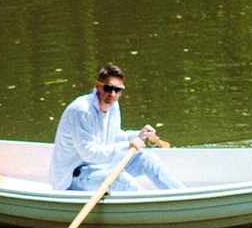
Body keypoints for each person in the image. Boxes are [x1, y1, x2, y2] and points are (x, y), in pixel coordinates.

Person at [49, 63, 180, 194]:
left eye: (118, 90)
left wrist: (139, 135)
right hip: (74, 175)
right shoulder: (82, 111)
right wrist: (128, 145)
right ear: (97, 86)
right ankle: (155, 209)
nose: (112, 93)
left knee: (148, 160)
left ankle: (181, 196)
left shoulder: (113, 105)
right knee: (123, 181)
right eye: (108, 88)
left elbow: (114, 137)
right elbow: (89, 153)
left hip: (101, 165)